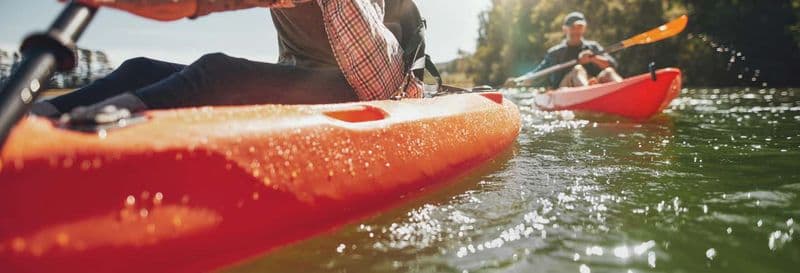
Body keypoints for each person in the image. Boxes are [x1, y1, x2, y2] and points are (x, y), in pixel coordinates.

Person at [31, 0, 425, 122]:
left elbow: (374, 78)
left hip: (371, 88)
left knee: (217, 71)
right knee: (138, 69)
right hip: (308, 80)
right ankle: (35, 114)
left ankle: (89, 130)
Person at [508, 11, 622, 89]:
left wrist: (594, 58)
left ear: (584, 28)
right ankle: (588, 92)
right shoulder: (555, 53)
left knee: (609, 72)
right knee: (577, 69)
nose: (576, 31)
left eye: (580, 27)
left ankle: (623, 90)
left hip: (593, 83)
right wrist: (519, 80)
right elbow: (538, 73)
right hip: (565, 89)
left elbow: (612, 65)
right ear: (565, 29)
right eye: (573, 28)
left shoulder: (593, 47)